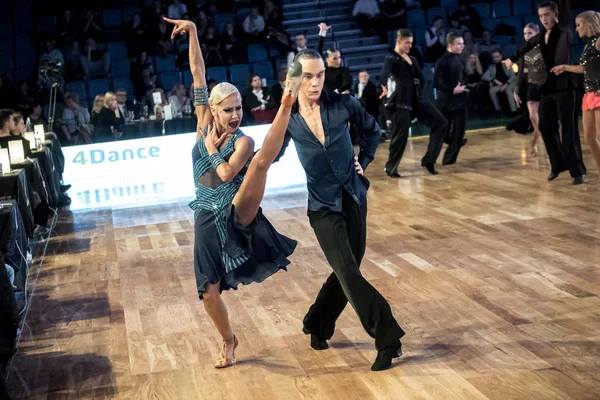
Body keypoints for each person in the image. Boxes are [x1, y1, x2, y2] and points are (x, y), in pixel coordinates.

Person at [165, 17, 298, 369]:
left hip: (235, 210)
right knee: (208, 293)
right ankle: (229, 340)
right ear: (213, 109)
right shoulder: (202, 124)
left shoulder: (245, 141)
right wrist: (193, 31)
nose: (237, 114)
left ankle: (287, 106)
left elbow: (224, 174)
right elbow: (197, 73)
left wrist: (209, 149)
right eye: (229, 109)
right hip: (205, 214)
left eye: (239, 108)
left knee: (259, 165)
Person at [274, 49, 405, 371]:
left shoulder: (344, 104)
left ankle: (317, 323)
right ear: (294, 79)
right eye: (308, 76)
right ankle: (388, 338)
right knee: (348, 271)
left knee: (349, 269)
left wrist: (366, 160)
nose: (316, 82)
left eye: (320, 75)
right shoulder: (288, 119)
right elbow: (270, 156)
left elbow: (373, 130)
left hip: (354, 197)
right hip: (322, 207)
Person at [516, 0, 585, 184]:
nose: (544, 19)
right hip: (547, 90)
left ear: (556, 13)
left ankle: (577, 170)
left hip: (565, 88)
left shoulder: (565, 30)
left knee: (568, 130)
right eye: (540, 16)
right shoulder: (541, 37)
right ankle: (558, 165)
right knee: (545, 126)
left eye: (547, 15)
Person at [380, 29, 448, 177]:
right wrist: (385, 93)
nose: (410, 46)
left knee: (441, 123)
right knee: (400, 136)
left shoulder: (413, 59)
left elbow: (421, 79)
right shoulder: (390, 59)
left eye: (411, 43)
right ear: (398, 42)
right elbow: (385, 80)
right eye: (407, 43)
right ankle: (391, 167)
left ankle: (429, 160)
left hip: (417, 100)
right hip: (400, 102)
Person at [551, 10, 600, 174]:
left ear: (588, 24)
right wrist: (565, 67)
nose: (577, 29)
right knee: (589, 137)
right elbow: (585, 68)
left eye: (579, 25)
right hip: (589, 94)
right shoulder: (588, 44)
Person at [433, 33, 470, 166]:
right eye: (459, 43)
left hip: (461, 100)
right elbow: (436, 83)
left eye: (462, 43)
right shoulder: (442, 61)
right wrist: (452, 90)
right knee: (444, 131)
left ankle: (449, 161)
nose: (462, 46)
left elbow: (464, 77)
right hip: (446, 102)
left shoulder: (461, 59)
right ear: (451, 45)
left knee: (459, 132)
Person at [511, 23, 544, 156]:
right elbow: (521, 72)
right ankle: (535, 143)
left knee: (545, 120)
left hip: (544, 86)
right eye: (525, 33)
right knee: (533, 117)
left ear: (536, 33)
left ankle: (538, 144)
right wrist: (516, 89)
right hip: (530, 86)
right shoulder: (524, 49)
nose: (526, 36)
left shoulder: (545, 47)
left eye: (529, 33)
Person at [483, 49, 518, 117]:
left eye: (497, 56)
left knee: (508, 90)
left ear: (501, 56)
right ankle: (498, 110)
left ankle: (514, 111)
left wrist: (505, 85)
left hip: (510, 82)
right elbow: (484, 76)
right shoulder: (491, 67)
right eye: (494, 57)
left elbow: (513, 76)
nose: (495, 59)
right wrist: (494, 80)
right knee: (492, 91)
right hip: (501, 85)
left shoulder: (507, 63)